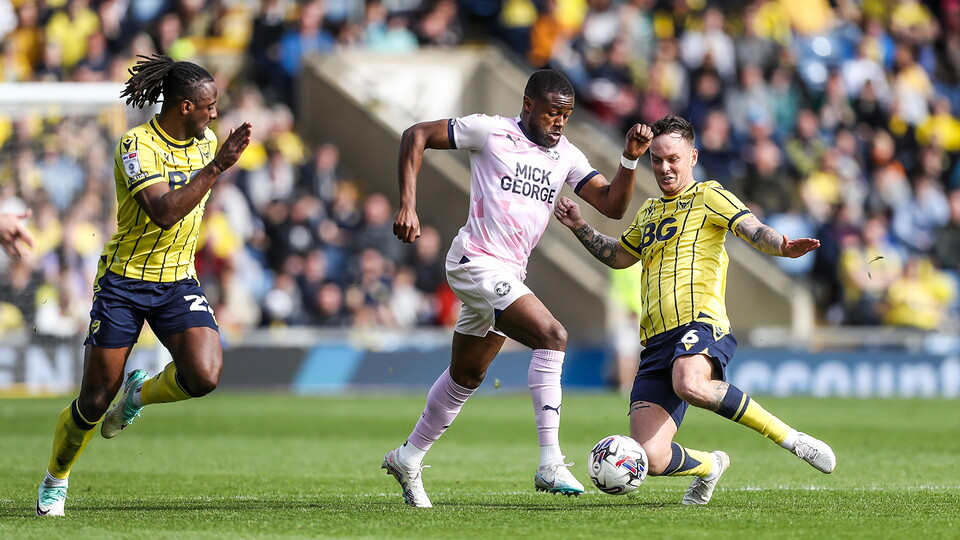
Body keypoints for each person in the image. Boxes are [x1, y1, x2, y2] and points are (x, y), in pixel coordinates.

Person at [383, 69, 654, 507]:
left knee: (467, 376)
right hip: (475, 261)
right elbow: (415, 135)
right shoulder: (490, 131)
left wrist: (629, 160)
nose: (560, 122)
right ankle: (550, 461)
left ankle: (408, 457)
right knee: (553, 335)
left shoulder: (565, 154)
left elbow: (611, 205)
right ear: (528, 105)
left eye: (566, 114)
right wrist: (408, 204)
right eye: (552, 113)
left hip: (508, 273)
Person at [553, 114, 836, 506]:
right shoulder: (649, 211)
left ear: (692, 157)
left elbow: (753, 229)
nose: (664, 168)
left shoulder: (709, 195)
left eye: (673, 159)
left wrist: (782, 247)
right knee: (650, 457)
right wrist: (580, 225)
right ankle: (710, 466)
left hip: (700, 321)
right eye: (657, 160)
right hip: (655, 341)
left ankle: (792, 439)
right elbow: (619, 256)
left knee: (690, 382)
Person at [35, 54, 252, 517]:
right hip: (124, 282)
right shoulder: (135, 146)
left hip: (176, 280)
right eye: (208, 106)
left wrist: (212, 168)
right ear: (185, 106)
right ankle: (56, 478)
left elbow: (193, 212)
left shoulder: (206, 141)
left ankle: (140, 395)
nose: (215, 115)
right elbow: (164, 210)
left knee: (205, 375)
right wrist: (217, 167)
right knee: (94, 399)